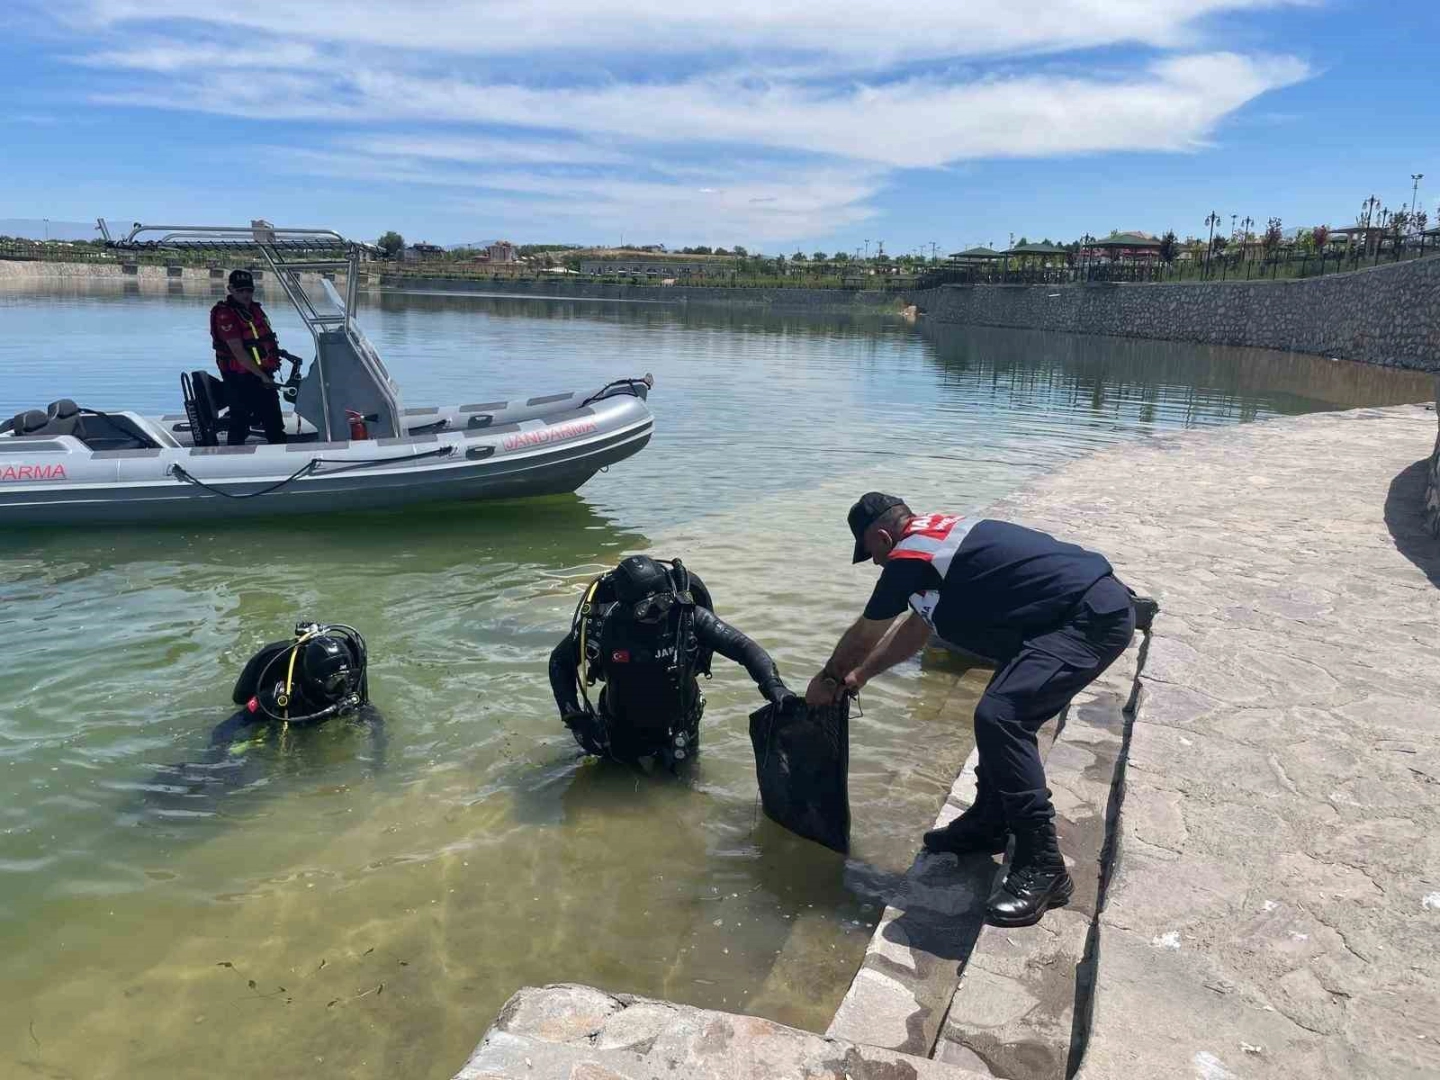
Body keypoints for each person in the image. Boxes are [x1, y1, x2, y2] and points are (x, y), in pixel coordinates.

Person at [806, 493, 1138, 927]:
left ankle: (1044, 866)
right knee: (999, 709)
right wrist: (861, 676)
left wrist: (829, 678)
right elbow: (916, 629)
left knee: (1002, 717)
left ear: (883, 536)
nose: (874, 564)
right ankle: (990, 820)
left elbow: (867, 630)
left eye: (871, 554)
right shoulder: (935, 542)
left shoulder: (909, 555)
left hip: (1088, 620)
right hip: (1065, 617)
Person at [550, 555, 796, 769]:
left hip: (681, 726)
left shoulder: (687, 617)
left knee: (684, 796)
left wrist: (773, 685)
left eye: (664, 601)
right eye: (646, 608)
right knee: (614, 800)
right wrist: (577, 719)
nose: (659, 612)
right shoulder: (603, 627)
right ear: (625, 607)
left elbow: (744, 647)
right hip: (620, 730)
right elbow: (559, 663)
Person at [209, 268, 300, 445]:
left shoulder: (254, 310)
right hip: (240, 378)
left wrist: (280, 355)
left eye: (249, 290)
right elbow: (239, 352)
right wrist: (262, 376)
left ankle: (279, 449)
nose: (245, 294)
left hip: (261, 375)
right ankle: (232, 458)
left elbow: (260, 342)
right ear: (230, 289)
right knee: (240, 420)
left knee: (273, 419)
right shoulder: (225, 314)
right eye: (240, 290)